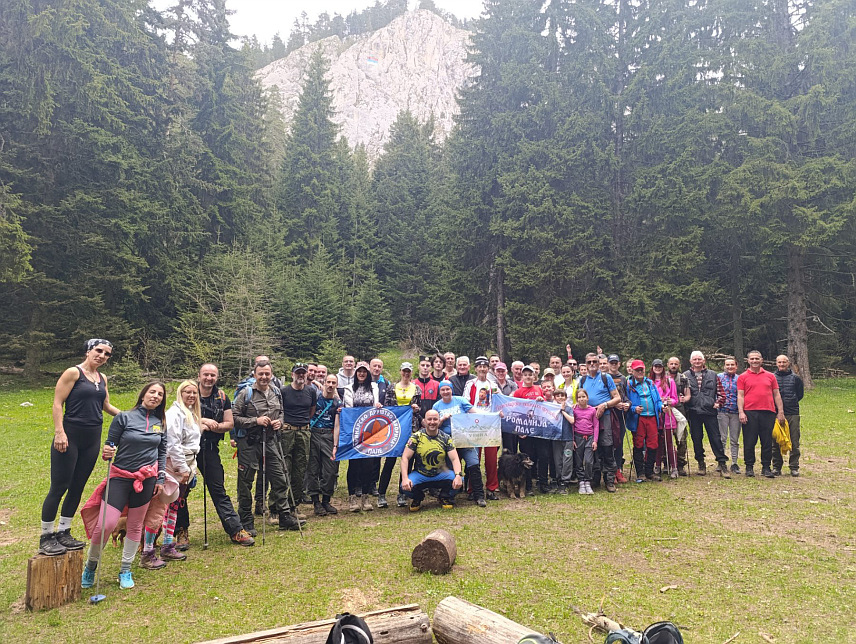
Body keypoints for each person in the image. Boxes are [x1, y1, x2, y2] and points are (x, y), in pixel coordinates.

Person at [80, 381, 167, 590]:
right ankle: (91, 566)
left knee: (135, 525)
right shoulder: (124, 417)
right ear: (143, 394)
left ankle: (125, 569)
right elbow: (110, 445)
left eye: (160, 394)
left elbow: (162, 451)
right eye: (152, 392)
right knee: (107, 524)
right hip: (120, 477)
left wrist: (161, 478)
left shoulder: (160, 422)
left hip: (147, 480)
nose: (155, 396)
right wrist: (107, 451)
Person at [40, 338, 120, 556]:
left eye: (107, 354)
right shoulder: (73, 373)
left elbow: (105, 405)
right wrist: (59, 432)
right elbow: (58, 403)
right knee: (60, 486)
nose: (102, 356)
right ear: (88, 351)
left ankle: (64, 531)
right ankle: (46, 536)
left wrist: (129, 416)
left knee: (77, 486)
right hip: (70, 436)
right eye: (99, 351)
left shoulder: (102, 378)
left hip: (92, 439)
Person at [233, 360, 304, 532]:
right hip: (250, 443)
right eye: (261, 374)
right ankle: (246, 520)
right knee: (246, 481)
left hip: (271, 441)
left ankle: (284, 516)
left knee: (280, 478)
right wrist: (254, 421)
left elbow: (281, 412)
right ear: (255, 375)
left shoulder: (276, 392)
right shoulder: (246, 393)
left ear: (271, 375)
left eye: (267, 374)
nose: (264, 377)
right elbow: (234, 417)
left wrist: (279, 422)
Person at [140, 380, 201, 568]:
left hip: (186, 463)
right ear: (180, 393)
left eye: (194, 392)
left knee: (175, 506)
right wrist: (182, 468)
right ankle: (148, 549)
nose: (191, 395)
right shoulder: (175, 414)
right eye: (187, 392)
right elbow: (172, 444)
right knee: (160, 508)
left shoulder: (189, 413)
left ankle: (167, 543)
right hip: (173, 466)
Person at [196, 363, 254, 546]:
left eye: (213, 375)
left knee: (218, 490)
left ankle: (236, 530)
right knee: (180, 492)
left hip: (210, 448)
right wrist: (202, 421)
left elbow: (229, 423)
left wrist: (214, 426)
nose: (209, 378)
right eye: (206, 374)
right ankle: (180, 532)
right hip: (185, 450)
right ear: (199, 376)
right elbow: (177, 416)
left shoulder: (222, 397)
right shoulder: (189, 393)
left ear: (217, 377)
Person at [433, 381, 485, 506]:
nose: (445, 392)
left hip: (465, 439)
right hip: (448, 442)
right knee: (450, 469)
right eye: (443, 390)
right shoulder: (437, 406)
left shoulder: (460, 400)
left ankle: (479, 496)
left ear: (452, 390)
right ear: (439, 392)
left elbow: (476, 413)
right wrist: (442, 419)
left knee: (473, 464)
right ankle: (449, 495)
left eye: (448, 389)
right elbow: (434, 425)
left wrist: (493, 416)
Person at [400, 410, 464, 511]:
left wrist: (458, 475)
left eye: (435, 419)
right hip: (421, 474)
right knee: (404, 487)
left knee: (460, 480)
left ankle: (444, 496)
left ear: (439, 421)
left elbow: (455, 458)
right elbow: (405, 458)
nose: (432, 422)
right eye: (429, 419)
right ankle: (418, 498)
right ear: (424, 421)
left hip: (441, 474)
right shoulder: (416, 437)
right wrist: (404, 478)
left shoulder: (446, 438)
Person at [379, 362, 422, 508]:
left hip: (411, 429)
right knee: (389, 462)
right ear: (400, 372)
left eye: (409, 371)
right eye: (404, 371)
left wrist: (416, 409)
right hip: (394, 430)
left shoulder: (416, 389)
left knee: (407, 461)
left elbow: (419, 409)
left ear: (412, 372)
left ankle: (402, 493)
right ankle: (381, 494)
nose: (406, 373)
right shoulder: (392, 387)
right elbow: (387, 408)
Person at [737, 350, 786, 478]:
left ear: (761, 360)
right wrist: (741, 412)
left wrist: (780, 412)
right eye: (752, 359)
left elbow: (776, 394)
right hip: (750, 412)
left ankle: (766, 467)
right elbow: (740, 396)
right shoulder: (743, 377)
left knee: (767, 441)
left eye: (757, 358)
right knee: (749, 441)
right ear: (748, 361)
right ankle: (749, 467)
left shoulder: (770, 376)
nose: (754, 361)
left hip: (768, 412)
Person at [578, 352, 621, 493]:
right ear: (585, 364)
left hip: (605, 416)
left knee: (607, 446)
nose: (592, 364)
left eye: (594, 362)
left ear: (598, 363)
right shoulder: (582, 380)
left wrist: (604, 405)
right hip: (589, 418)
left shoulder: (605, 377)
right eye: (589, 362)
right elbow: (579, 399)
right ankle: (595, 478)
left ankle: (609, 479)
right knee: (593, 448)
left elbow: (617, 398)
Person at [684, 351, 731, 478]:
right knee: (696, 438)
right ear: (691, 361)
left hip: (710, 412)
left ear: (704, 361)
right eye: (695, 359)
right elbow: (682, 393)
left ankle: (722, 463)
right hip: (693, 412)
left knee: (715, 438)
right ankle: (701, 463)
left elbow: (721, 393)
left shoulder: (713, 375)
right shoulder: (685, 375)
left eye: (700, 359)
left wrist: (718, 403)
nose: (697, 361)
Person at [279, 362, 316, 520]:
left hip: (304, 432)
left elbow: (311, 410)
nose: (301, 375)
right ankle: (277, 507)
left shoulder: (311, 391)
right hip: (287, 432)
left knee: (300, 470)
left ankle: (293, 505)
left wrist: (304, 424)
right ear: (292, 374)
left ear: (306, 374)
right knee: (283, 469)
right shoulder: (284, 391)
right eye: (298, 373)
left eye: (303, 373)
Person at [343, 362, 381, 512]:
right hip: (354, 430)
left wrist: (377, 405)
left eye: (365, 371)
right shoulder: (348, 388)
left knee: (368, 464)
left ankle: (365, 496)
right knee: (354, 465)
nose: (362, 374)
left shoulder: (374, 387)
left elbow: (375, 402)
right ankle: (352, 497)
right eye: (359, 371)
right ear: (356, 373)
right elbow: (349, 407)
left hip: (370, 431)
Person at [463, 356, 501, 501]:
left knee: (491, 459)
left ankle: (491, 488)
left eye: (485, 366)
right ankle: (473, 488)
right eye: (480, 366)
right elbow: (466, 402)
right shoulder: (471, 384)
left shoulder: (492, 383)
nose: (483, 369)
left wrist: (499, 412)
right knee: (474, 458)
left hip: (491, 424)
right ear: (476, 368)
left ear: (488, 368)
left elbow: (499, 400)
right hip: (475, 422)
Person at [513, 366, 550, 493]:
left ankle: (543, 483)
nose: (528, 377)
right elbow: (515, 412)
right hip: (525, 432)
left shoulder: (539, 389)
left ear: (534, 377)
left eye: (530, 374)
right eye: (525, 375)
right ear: (522, 377)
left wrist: (541, 399)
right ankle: (528, 485)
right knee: (528, 458)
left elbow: (546, 407)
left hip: (539, 430)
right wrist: (519, 430)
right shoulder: (518, 392)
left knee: (543, 456)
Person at [307, 374, 341, 516]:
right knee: (313, 468)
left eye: (334, 383)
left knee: (330, 469)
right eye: (328, 382)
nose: (331, 385)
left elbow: (337, 425)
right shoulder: (315, 398)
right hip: (314, 433)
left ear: (336, 385)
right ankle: (316, 502)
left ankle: (326, 500)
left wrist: (335, 445)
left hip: (328, 435)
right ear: (324, 383)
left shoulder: (337, 403)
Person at [626, 360, 663, 482]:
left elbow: (657, 400)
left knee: (653, 444)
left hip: (652, 417)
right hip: (639, 418)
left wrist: (661, 406)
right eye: (637, 370)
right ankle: (640, 472)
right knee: (639, 444)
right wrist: (633, 408)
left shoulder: (650, 383)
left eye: (641, 369)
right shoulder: (629, 385)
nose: (640, 372)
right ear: (632, 371)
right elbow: (626, 402)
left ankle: (649, 471)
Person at [773, 355, 804, 476]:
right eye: (779, 362)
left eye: (784, 362)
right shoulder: (772, 377)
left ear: (788, 363)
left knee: (794, 441)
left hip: (792, 413)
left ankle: (794, 467)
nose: (782, 364)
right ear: (776, 363)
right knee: (775, 441)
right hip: (775, 414)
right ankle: (776, 467)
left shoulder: (795, 378)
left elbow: (799, 394)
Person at [650, 360, 679, 478]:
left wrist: (667, 401)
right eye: (655, 366)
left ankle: (674, 467)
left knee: (669, 442)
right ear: (652, 368)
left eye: (659, 366)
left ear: (663, 368)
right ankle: (657, 465)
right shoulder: (649, 382)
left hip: (667, 415)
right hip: (654, 415)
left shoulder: (669, 381)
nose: (657, 368)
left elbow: (675, 399)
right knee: (656, 442)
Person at [606, 355, 631, 483]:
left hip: (621, 415)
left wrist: (628, 404)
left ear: (619, 364)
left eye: (616, 363)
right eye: (611, 363)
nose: (614, 365)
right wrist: (613, 403)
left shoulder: (623, 378)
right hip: (608, 413)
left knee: (619, 442)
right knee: (608, 443)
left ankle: (618, 469)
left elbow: (625, 396)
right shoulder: (604, 377)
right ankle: (609, 471)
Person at [667, 357, 692, 476]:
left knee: (681, 438)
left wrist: (684, 399)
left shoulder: (683, 378)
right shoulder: (662, 378)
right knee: (666, 438)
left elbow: (688, 395)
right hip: (666, 411)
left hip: (680, 411)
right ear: (667, 365)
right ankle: (667, 463)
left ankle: (681, 464)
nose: (673, 366)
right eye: (671, 364)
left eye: (675, 364)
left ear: (679, 365)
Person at [717, 357, 742, 474]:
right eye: (727, 365)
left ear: (736, 366)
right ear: (724, 366)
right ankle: (721, 462)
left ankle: (734, 463)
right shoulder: (719, 377)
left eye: (732, 365)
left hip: (736, 412)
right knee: (722, 438)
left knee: (734, 439)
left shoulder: (740, 379)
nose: (730, 367)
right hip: (722, 411)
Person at [571, 389, 598, 494]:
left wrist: (595, 440)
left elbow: (596, 425)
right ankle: (581, 481)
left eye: (583, 397)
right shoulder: (574, 410)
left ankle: (587, 481)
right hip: (578, 437)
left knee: (588, 461)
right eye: (579, 397)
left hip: (589, 438)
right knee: (578, 461)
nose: (581, 399)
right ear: (577, 399)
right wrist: (572, 439)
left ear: (587, 397)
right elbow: (572, 425)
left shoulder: (592, 410)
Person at [552, 388, 574, 494]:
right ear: (554, 398)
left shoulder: (569, 408)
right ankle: (559, 479)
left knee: (567, 460)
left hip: (568, 438)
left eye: (562, 395)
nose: (560, 397)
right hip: (556, 438)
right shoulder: (552, 408)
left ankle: (565, 481)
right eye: (558, 396)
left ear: (565, 397)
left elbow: (572, 420)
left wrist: (563, 411)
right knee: (558, 460)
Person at [416, 356, 441, 420]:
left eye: (427, 366)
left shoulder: (437, 385)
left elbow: (439, 404)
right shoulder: (412, 384)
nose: (425, 368)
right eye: (422, 365)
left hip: (432, 420)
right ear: (418, 366)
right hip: (416, 419)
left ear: (431, 368)